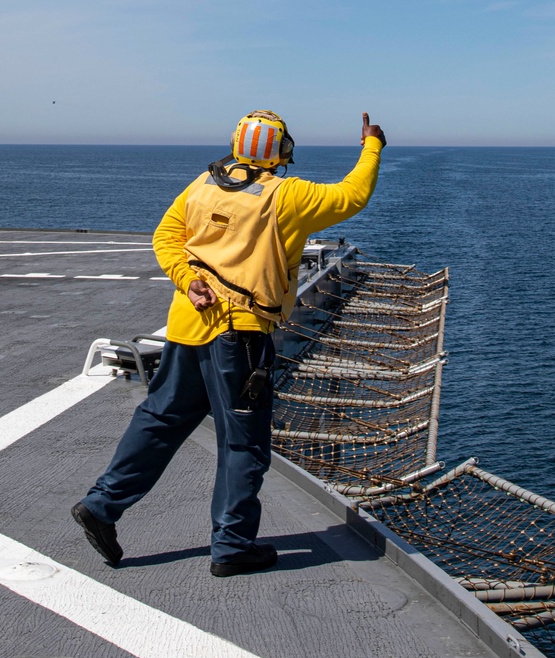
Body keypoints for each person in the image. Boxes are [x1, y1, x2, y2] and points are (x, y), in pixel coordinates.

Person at [72, 108, 386, 577]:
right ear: (280, 151)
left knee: (161, 419)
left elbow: (166, 237)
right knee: (243, 444)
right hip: (239, 337)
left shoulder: (202, 185)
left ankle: (102, 504)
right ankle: (233, 545)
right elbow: (352, 195)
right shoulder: (287, 195)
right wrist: (372, 144)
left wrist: (186, 278)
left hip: (186, 326)